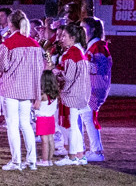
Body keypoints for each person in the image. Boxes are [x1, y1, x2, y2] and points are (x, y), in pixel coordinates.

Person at [0, 10, 45, 171]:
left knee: (12, 125)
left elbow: (1, 65)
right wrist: (37, 93)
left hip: (11, 89)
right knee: (26, 124)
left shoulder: (9, 43)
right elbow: (39, 69)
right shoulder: (34, 44)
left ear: (10, 24)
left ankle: (16, 161)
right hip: (27, 89)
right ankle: (32, 160)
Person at [54, 23, 91, 167]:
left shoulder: (71, 54)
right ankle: (79, 156)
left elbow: (68, 77)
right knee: (74, 126)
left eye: (64, 36)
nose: (61, 39)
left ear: (73, 38)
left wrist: (57, 74)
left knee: (71, 126)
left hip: (72, 95)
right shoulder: (79, 52)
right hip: (80, 93)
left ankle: (72, 156)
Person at [82, 17, 111, 163]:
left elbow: (99, 68)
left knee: (89, 117)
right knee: (86, 117)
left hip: (95, 86)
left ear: (92, 29)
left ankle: (97, 151)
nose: (81, 31)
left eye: (84, 27)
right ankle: (93, 149)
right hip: (93, 85)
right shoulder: (94, 46)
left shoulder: (98, 47)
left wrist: (83, 64)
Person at [34, 70, 61, 167]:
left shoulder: (42, 95)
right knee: (50, 139)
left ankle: (44, 161)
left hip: (42, 119)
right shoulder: (55, 94)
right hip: (51, 118)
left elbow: (36, 106)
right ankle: (49, 160)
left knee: (44, 141)